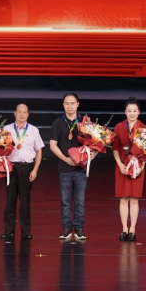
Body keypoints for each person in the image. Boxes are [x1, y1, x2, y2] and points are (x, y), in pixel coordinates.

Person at [49, 92, 95, 241]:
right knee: (65, 201)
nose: (70, 106)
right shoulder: (57, 123)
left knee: (80, 201)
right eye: (67, 103)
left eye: (72, 103)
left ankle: (79, 228)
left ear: (77, 104)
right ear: (63, 105)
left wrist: (91, 156)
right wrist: (66, 160)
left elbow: (97, 143)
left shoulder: (86, 122)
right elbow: (52, 145)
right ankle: (66, 228)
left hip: (81, 169)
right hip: (64, 168)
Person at [0, 103, 44, 240]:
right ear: (15, 113)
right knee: (10, 200)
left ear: (28, 114)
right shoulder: (6, 129)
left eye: (24, 112)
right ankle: (9, 230)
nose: (22, 114)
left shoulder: (34, 130)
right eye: (19, 112)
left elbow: (39, 151)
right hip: (10, 167)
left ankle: (26, 231)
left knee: (25, 201)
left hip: (27, 168)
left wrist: (35, 169)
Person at [113, 98, 146, 242]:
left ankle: (132, 229)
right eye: (129, 111)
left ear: (138, 112)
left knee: (133, 199)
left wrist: (141, 167)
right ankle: (124, 229)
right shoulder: (119, 126)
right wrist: (120, 164)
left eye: (134, 111)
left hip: (137, 167)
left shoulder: (143, 128)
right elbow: (115, 148)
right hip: (122, 166)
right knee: (123, 198)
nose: (132, 113)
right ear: (125, 112)